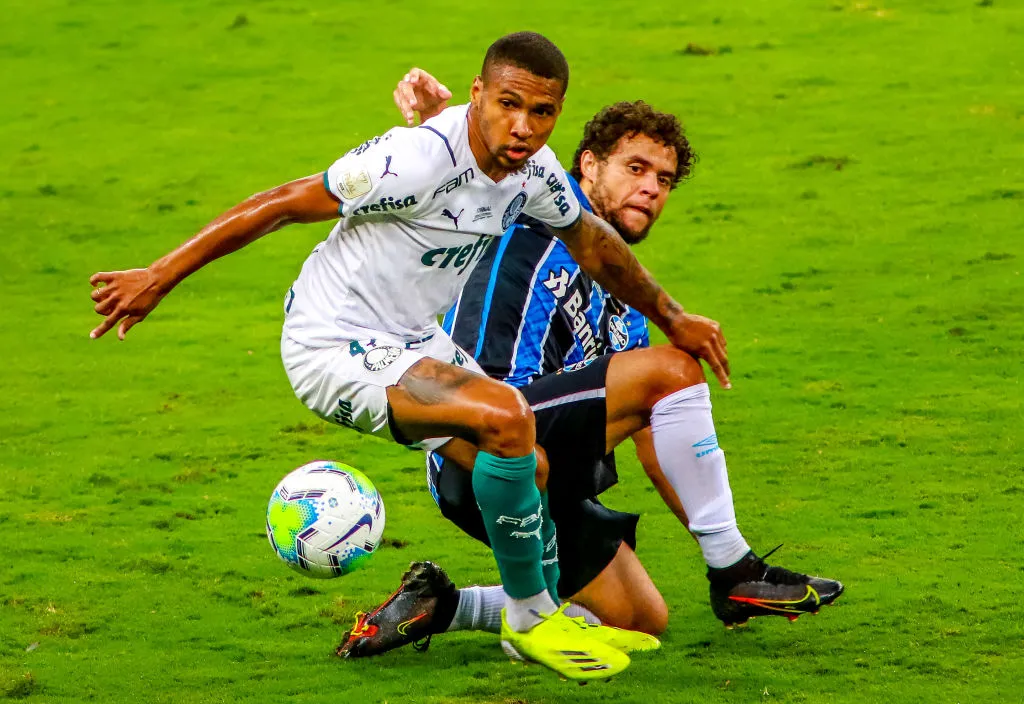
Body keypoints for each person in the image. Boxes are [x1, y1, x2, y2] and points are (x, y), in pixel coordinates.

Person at [87, 32, 735, 682]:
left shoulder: (532, 172)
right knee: (508, 419)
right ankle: (532, 616)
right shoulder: (414, 159)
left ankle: (475, 606)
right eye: (508, 104)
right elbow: (281, 204)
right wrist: (159, 274)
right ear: (478, 94)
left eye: (542, 113)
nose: (524, 126)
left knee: (527, 461)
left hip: (411, 338)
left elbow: (594, 244)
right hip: (331, 343)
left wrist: (675, 317)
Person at [336, 71, 843, 659]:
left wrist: (721, 546)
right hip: (478, 451)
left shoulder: (620, 292)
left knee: (640, 620)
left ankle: (442, 604)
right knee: (674, 367)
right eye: (635, 168)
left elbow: (658, 430)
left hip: (550, 460)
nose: (652, 188)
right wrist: (432, 124)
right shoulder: (531, 211)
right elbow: (478, 174)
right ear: (587, 165)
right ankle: (732, 574)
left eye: (664, 179)